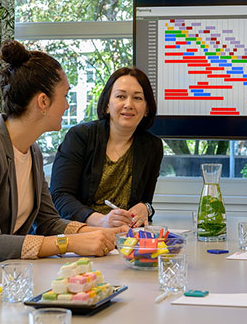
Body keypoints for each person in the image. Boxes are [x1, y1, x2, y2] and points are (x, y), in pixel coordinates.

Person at [0, 40, 124, 274]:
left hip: (1, 274)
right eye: (65, 95)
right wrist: (70, 243)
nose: (67, 104)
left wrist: (97, 233)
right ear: (43, 101)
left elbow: (48, 222)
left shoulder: (32, 150)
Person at [51, 67, 163, 228]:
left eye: (137, 98)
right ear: (107, 105)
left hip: (123, 237)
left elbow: (146, 202)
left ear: (146, 109)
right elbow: (60, 197)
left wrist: (145, 208)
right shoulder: (80, 136)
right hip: (79, 233)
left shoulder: (153, 147)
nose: (128, 104)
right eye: (120, 96)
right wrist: (101, 221)